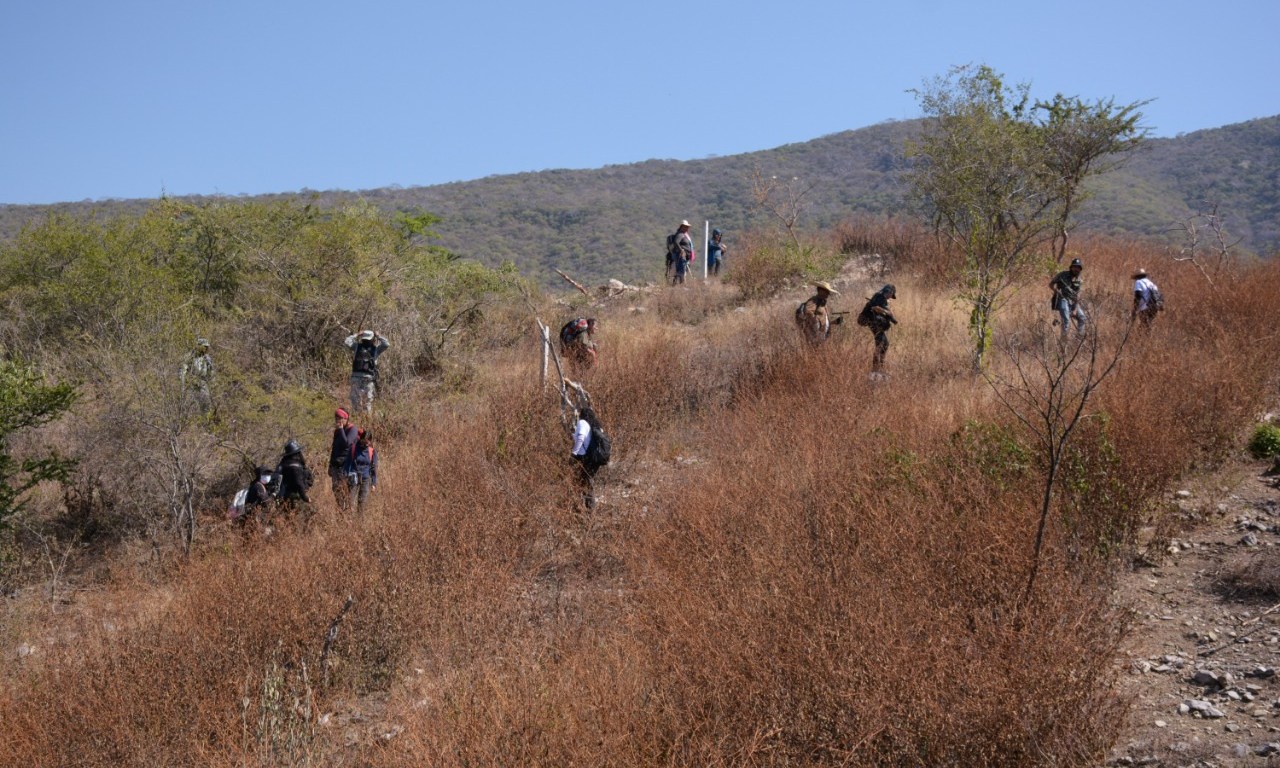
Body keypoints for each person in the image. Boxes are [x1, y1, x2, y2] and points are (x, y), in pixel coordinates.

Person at [344, 330, 390, 415]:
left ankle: (359, 417)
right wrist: (378, 336)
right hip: (367, 379)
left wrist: (357, 334)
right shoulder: (375, 349)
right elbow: (386, 344)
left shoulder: (357, 346)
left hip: (359, 378)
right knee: (366, 402)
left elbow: (347, 341)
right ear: (373, 339)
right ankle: (363, 418)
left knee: (357, 401)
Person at [570, 406, 607, 509]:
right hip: (594, 458)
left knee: (585, 482)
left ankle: (588, 509)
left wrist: (574, 453)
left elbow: (581, 438)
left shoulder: (582, 423)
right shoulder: (594, 425)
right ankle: (587, 507)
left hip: (584, 457)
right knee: (587, 481)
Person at [858, 284, 898, 373]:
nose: (890, 297)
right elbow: (875, 308)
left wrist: (888, 313)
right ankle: (876, 368)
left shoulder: (882, 299)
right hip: (871, 321)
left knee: (885, 344)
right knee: (880, 344)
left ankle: (880, 365)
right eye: (891, 294)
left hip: (875, 322)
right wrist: (887, 312)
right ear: (890, 292)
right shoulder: (879, 296)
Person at [329, 408, 359, 511]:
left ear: (345, 419)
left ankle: (349, 515)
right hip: (336, 466)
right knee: (337, 491)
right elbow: (334, 449)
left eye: (339, 418)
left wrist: (341, 429)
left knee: (348, 494)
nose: (337, 421)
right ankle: (341, 513)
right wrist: (330, 465)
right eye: (336, 418)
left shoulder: (353, 429)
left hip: (347, 467)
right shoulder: (337, 432)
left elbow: (347, 443)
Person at [1049, 258, 1087, 341]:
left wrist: (1075, 309)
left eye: (1078, 267)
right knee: (1066, 320)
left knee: (1082, 318)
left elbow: (1078, 295)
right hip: (1062, 299)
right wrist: (1057, 292)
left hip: (1073, 301)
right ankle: (1063, 341)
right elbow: (1051, 284)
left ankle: (1079, 340)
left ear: (1080, 269)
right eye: (1074, 267)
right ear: (1071, 267)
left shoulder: (1079, 279)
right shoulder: (1062, 275)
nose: (1076, 269)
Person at [275, 439, 313, 517]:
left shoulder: (282, 465)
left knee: (286, 517)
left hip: (282, 497)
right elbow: (298, 483)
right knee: (310, 514)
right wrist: (305, 497)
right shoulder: (295, 467)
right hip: (294, 497)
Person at [344, 428, 379, 512]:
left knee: (362, 502)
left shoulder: (371, 451)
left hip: (365, 478)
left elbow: (373, 468)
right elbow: (347, 463)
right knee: (350, 502)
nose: (366, 444)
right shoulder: (353, 448)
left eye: (368, 442)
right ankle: (349, 518)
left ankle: (360, 519)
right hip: (354, 477)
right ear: (361, 439)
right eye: (364, 441)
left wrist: (374, 483)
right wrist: (344, 476)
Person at [795, 281, 840, 345]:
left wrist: (834, 322)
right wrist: (816, 325)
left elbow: (822, 320)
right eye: (827, 291)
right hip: (815, 336)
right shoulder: (813, 301)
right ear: (821, 291)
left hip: (822, 335)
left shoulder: (822, 303)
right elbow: (808, 312)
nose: (828, 293)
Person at [179, 337, 214, 413]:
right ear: (199, 346)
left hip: (203, 383)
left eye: (207, 347)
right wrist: (183, 384)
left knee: (206, 405)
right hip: (191, 383)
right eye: (204, 346)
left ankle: (205, 418)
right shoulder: (190, 356)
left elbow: (211, 372)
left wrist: (211, 383)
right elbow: (183, 371)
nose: (206, 348)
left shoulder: (207, 358)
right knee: (190, 406)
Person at [671, 220, 695, 286]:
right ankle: (680, 285)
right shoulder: (680, 234)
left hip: (684, 256)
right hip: (681, 255)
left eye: (687, 227)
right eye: (686, 227)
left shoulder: (684, 235)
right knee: (681, 270)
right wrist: (681, 250)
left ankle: (676, 284)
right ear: (682, 227)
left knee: (682, 270)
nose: (687, 228)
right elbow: (676, 242)